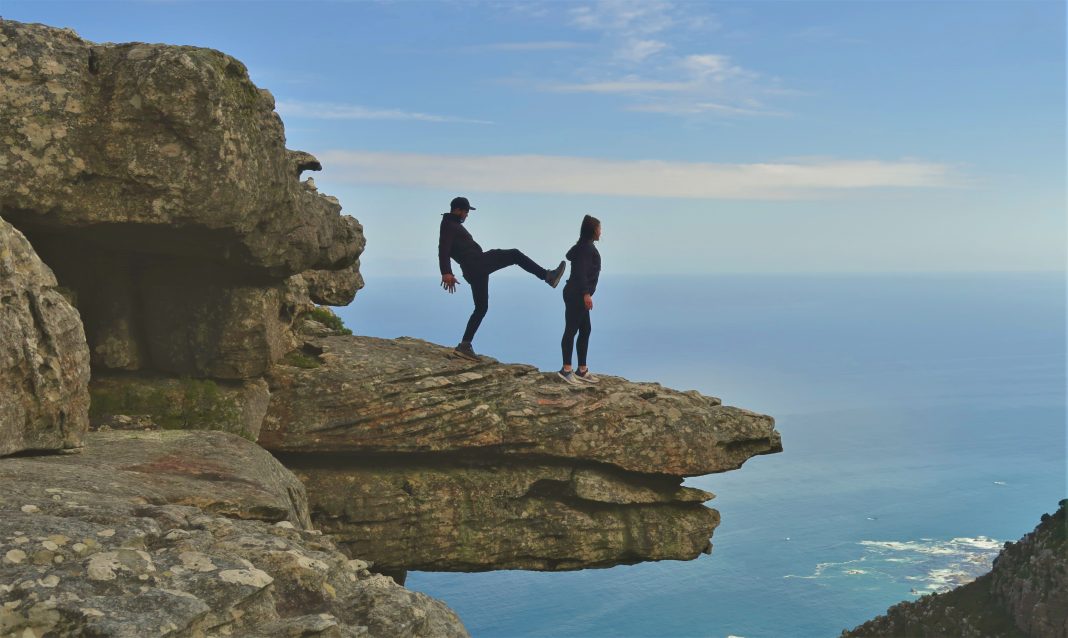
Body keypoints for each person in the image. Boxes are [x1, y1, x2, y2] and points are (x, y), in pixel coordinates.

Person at [439, 196, 566, 361]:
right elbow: (443, 249)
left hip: (474, 270)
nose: (467, 215)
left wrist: (447, 271)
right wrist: (446, 272)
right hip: (477, 264)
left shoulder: (451, 224)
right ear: (458, 210)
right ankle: (548, 276)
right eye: (466, 211)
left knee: (481, 307)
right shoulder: (449, 225)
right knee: (514, 254)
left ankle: (464, 345)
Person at [558, 215, 601, 384]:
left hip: (575, 293)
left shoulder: (582, 246)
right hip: (577, 294)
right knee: (571, 330)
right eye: (599, 228)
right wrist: (586, 294)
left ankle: (582, 370)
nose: (600, 231)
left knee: (585, 329)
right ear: (592, 230)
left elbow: (570, 255)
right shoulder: (586, 249)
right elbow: (581, 272)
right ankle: (566, 370)